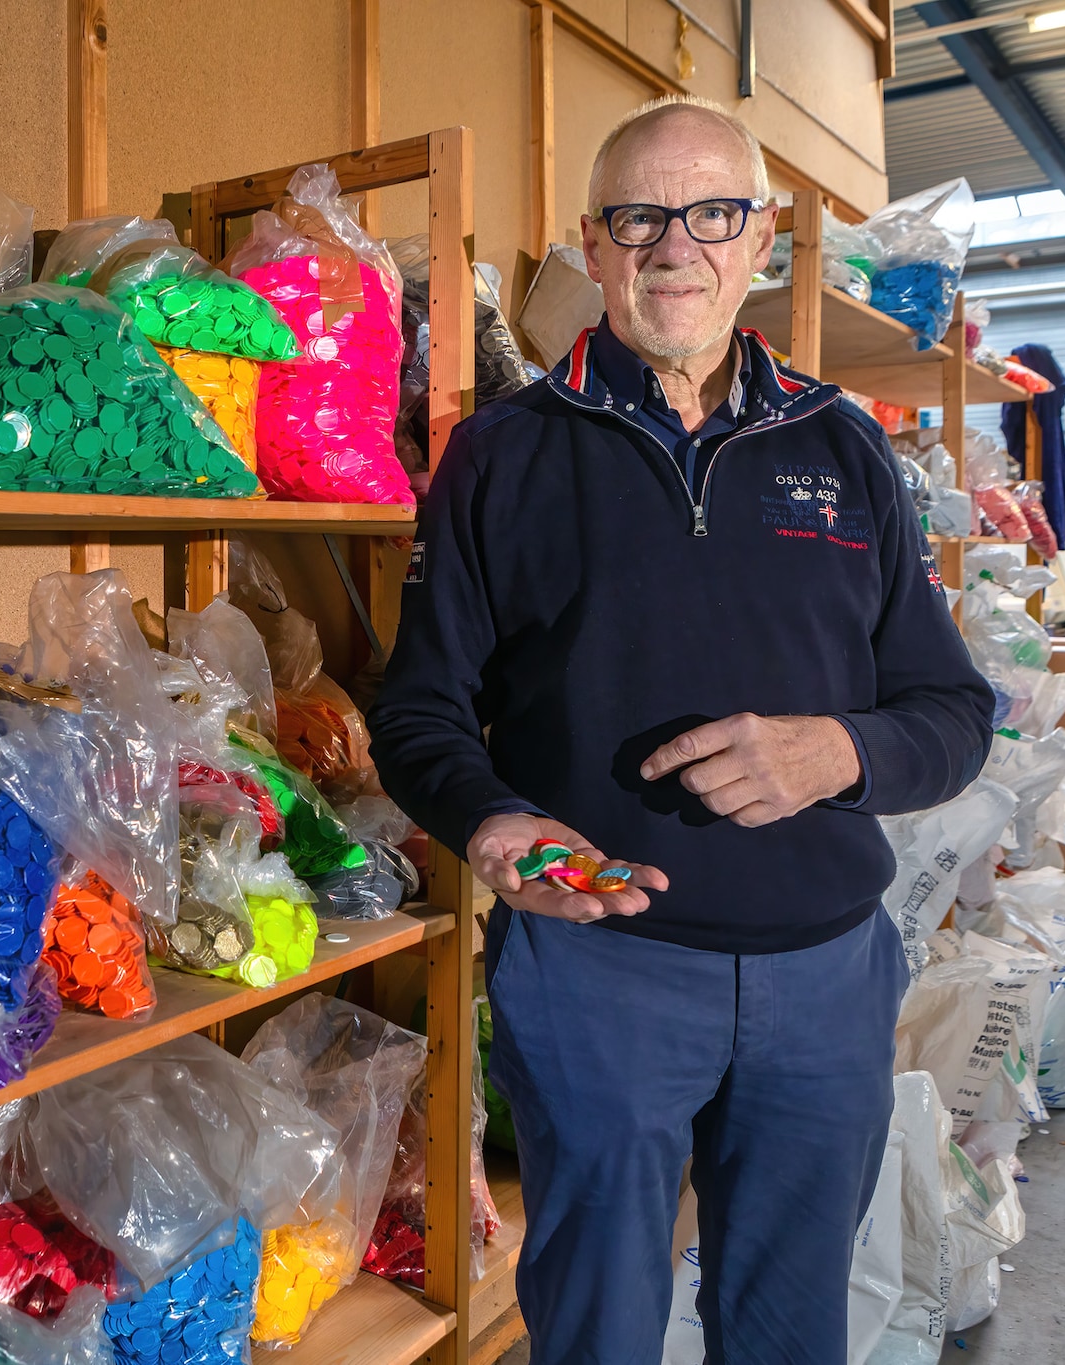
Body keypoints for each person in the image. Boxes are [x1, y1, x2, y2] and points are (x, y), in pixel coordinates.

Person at [366, 95, 993, 1363]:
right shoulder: (499, 455)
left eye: (712, 212)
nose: (676, 246)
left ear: (758, 237)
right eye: (640, 216)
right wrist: (491, 822)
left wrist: (839, 753)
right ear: (590, 248)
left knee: (787, 1324)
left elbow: (951, 713)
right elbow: (419, 709)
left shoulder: (844, 451)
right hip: (598, 975)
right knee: (594, 1323)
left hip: (824, 976)